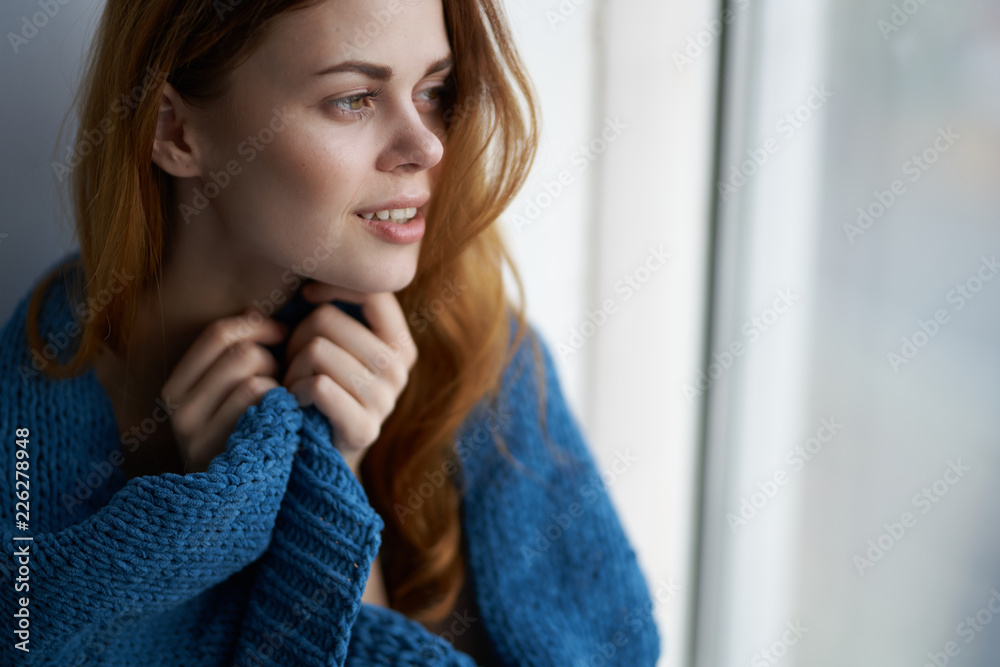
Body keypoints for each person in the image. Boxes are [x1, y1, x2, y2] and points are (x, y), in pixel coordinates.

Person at [0, 0, 662, 664]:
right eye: (353, 99)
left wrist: (324, 488)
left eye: (433, 91)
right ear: (174, 129)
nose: (427, 144)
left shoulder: (482, 348)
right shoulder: (27, 406)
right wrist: (204, 517)